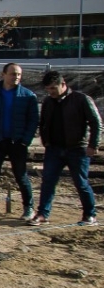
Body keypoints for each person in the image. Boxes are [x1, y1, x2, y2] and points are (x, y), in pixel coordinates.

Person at [31, 71, 100, 227]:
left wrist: (93, 144)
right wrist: (45, 139)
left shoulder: (81, 99)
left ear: (63, 84)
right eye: (48, 89)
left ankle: (90, 215)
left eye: (53, 88)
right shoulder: (48, 102)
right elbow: (43, 123)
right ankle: (42, 214)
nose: (51, 92)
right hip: (54, 149)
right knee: (48, 181)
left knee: (81, 183)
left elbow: (96, 123)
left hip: (77, 148)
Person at [0, 63, 38, 222]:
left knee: (21, 176)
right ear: (3, 74)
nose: (16, 77)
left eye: (18, 74)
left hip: (17, 142)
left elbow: (33, 121)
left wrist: (26, 140)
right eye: (13, 74)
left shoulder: (28, 96)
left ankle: (28, 208)